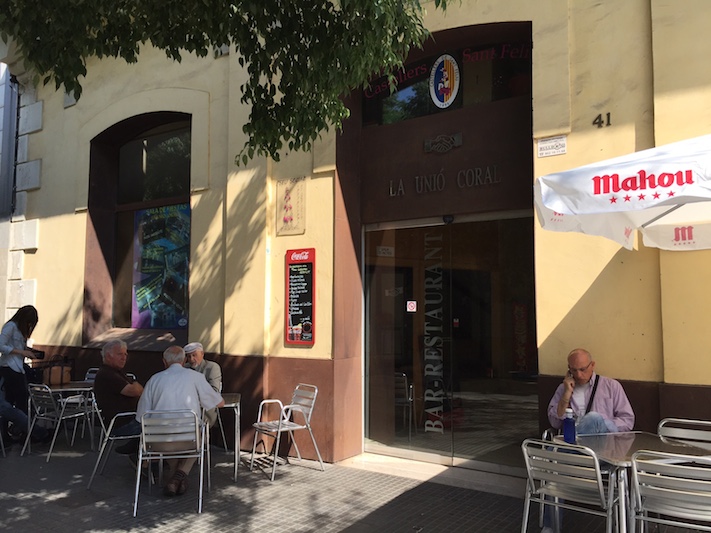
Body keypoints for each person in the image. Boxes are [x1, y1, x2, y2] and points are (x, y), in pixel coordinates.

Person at [136, 345, 224, 497]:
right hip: (189, 441)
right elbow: (218, 402)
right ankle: (180, 476)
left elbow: (141, 416)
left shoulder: (154, 380)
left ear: (164, 362)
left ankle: (174, 480)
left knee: (171, 436)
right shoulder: (195, 377)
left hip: (157, 443)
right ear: (184, 361)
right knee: (201, 434)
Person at [548, 348, 635, 435]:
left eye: (583, 369)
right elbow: (555, 423)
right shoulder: (563, 388)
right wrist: (566, 394)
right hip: (573, 439)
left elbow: (627, 420)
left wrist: (602, 425)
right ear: (569, 369)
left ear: (592, 365)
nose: (578, 375)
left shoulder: (611, 386)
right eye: (574, 370)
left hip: (602, 439)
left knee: (593, 418)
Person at [93, 340, 144, 452]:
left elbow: (139, 390)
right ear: (108, 356)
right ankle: (142, 459)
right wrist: (134, 382)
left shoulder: (116, 372)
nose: (124, 357)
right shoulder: (107, 374)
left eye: (125, 354)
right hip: (120, 424)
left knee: (159, 423)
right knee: (159, 427)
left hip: (130, 418)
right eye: (120, 354)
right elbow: (136, 391)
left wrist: (135, 385)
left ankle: (137, 452)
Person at [0, 305, 41, 415]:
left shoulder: (20, 330)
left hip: (17, 367)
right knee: (21, 397)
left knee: (12, 399)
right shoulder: (10, 326)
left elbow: (17, 346)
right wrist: (22, 352)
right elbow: (1, 345)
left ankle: (12, 427)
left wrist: (29, 351)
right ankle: (21, 426)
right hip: (9, 366)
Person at [183, 342, 222, 426]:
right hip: (185, 408)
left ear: (202, 354)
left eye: (194, 355)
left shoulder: (211, 368)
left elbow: (214, 391)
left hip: (205, 410)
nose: (191, 359)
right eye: (189, 356)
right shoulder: (184, 368)